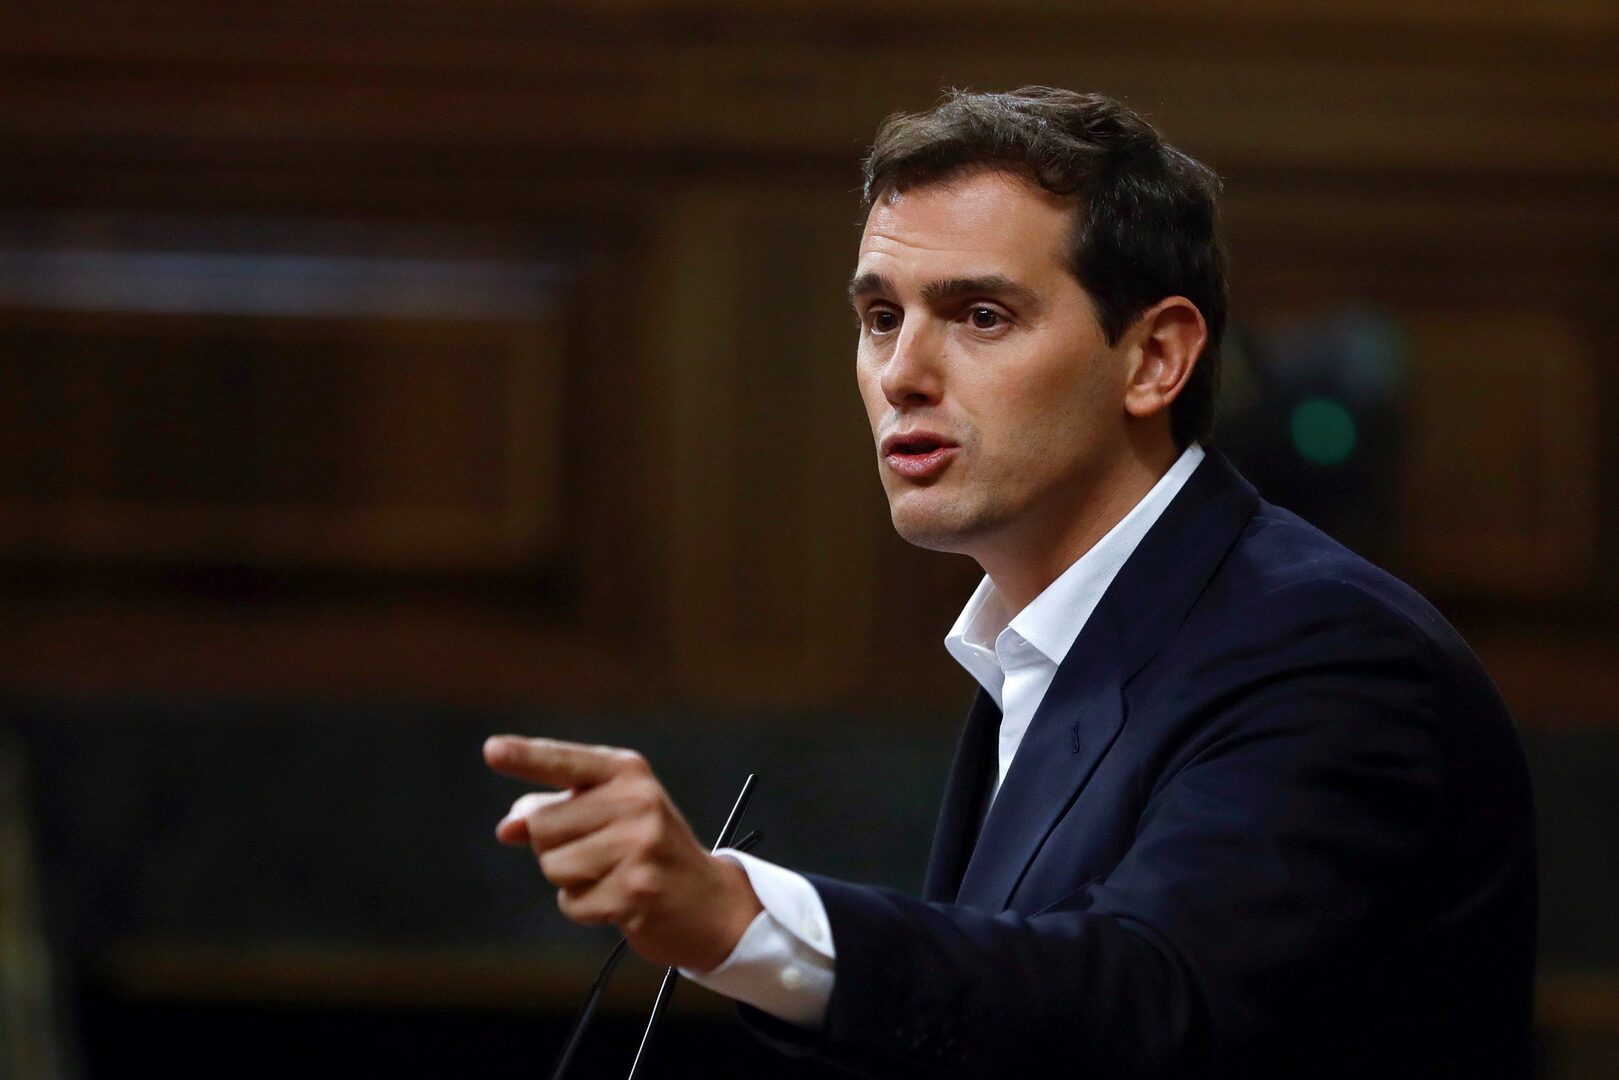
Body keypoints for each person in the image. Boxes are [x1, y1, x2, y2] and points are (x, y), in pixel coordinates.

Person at [484, 87, 1536, 1078]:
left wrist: (740, 918)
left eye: (979, 315)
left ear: (1154, 358)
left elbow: (1151, 1001)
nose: (901, 373)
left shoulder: (1325, 649)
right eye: (880, 317)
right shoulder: (1046, 644)